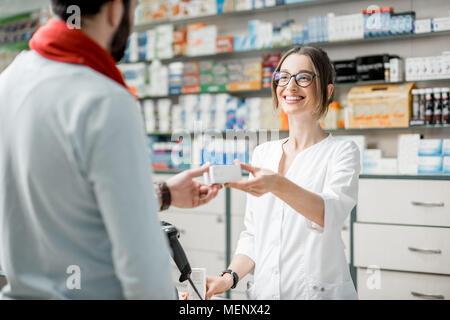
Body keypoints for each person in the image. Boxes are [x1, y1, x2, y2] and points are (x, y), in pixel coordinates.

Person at [0, 0, 221, 299]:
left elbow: (57, 200)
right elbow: (142, 267)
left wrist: (164, 194)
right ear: (116, 9)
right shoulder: (106, 100)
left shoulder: (10, 80)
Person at [205, 46, 360, 300]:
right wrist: (227, 278)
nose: (290, 86)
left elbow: (328, 214)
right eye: (283, 77)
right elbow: (253, 234)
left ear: (328, 90)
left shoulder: (342, 152)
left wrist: (277, 185)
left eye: (304, 77)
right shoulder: (263, 153)